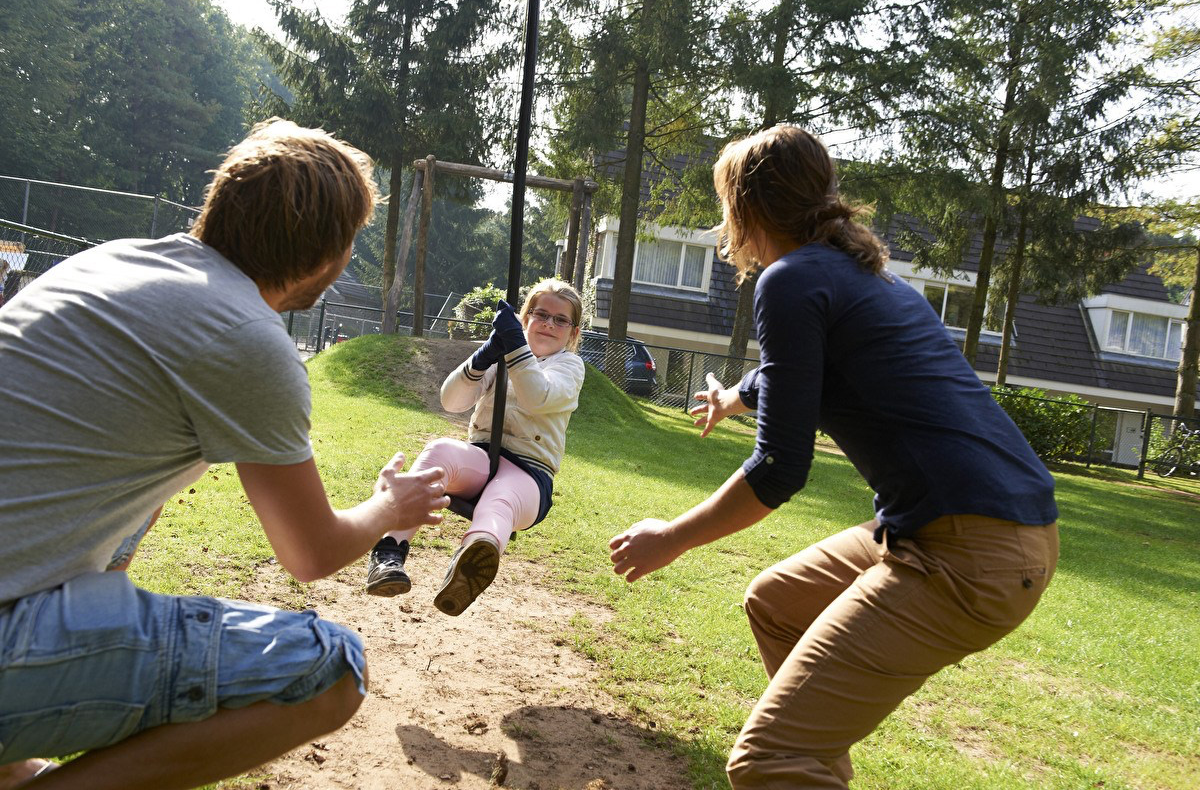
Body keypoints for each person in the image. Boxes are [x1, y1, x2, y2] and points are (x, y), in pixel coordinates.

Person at [0, 119, 449, 790]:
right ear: (326, 251)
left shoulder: (115, 262)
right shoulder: (244, 335)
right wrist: (393, 505)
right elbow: (311, 553)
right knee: (330, 668)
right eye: (351, 240)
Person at [607, 125, 1059, 789]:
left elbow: (781, 469)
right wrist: (734, 397)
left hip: (965, 554)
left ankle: (800, 762)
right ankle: (816, 761)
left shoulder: (790, 279)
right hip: (996, 529)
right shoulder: (866, 277)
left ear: (745, 208)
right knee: (778, 603)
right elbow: (799, 375)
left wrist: (670, 539)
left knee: (767, 761)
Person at [365, 278, 586, 616]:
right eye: (541, 314)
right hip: (483, 458)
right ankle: (389, 552)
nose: (548, 324)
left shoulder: (569, 366)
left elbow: (537, 396)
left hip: (529, 475)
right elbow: (451, 401)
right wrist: (484, 356)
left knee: (500, 500)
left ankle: (470, 565)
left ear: (572, 332)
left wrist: (516, 348)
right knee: (440, 451)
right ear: (525, 317)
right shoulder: (502, 351)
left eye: (560, 320)